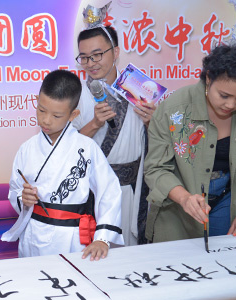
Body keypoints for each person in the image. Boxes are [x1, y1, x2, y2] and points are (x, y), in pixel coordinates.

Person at [144, 42, 236, 243]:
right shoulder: (173, 109)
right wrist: (185, 198)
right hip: (177, 206)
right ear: (209, 78)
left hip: (228, 201)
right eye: (224, 95)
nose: (231, 104)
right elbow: (156, 169)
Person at [1, 69, 123, 260]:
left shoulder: (86, 148)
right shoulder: (27, 148)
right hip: (33, 233)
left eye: (56, 116)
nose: (46, 120)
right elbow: (15, 188)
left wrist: (103, 238)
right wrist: (23, 198)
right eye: (41, 110)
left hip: (71, 238)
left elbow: (109, 191)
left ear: (73, 114)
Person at [72, 21, 154, 246]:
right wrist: (95, 123)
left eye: (97, 55)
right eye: (84, 57)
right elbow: (64, 149)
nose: (91, 63)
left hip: (129, 189)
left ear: (115, 52)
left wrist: (151, 124)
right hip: (91, 191)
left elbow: (156, 140)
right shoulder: (75, 93)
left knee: (127, 256)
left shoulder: (139, 87)